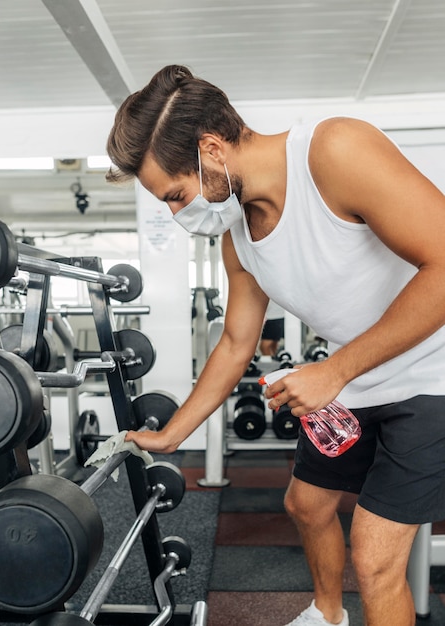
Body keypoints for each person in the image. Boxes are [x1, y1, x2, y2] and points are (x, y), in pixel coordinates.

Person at [106, 64, 445, 626]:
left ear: (211, 149)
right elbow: (237, 341)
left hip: (433, 373)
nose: (175, 213)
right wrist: (174, 432)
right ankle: (328, 614)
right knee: (305, 504)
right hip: (357, 378)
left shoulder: (334, 150)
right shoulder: (240, 235)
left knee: (376, 556)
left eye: (175, 194)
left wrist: (334, 370)